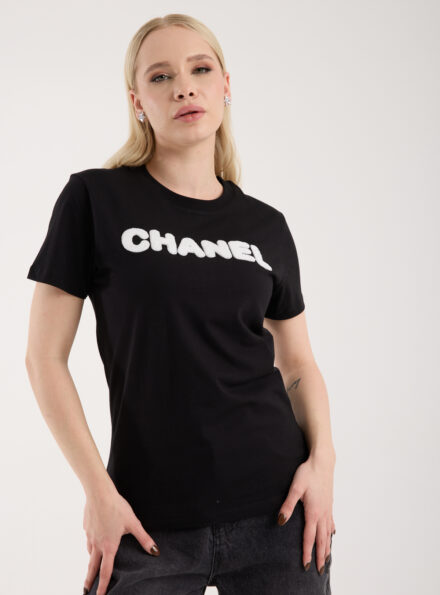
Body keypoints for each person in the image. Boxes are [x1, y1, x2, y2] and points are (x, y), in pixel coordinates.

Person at [25, 13, 336, 595]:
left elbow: (298, 365)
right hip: (144, 522)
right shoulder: (95, 199)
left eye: (200, 70)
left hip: (278, 516)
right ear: (137, 101)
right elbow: (43, 359)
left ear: (225, 86)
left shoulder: (265, 226)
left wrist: (323, 465)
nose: (184, 88)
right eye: (161, 76)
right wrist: (98, 492)